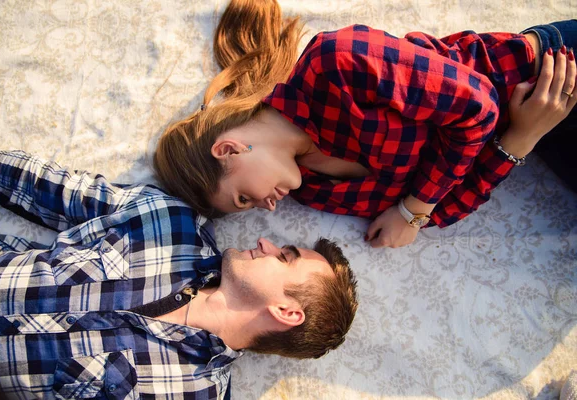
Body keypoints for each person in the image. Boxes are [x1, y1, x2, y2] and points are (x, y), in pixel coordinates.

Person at [153, 0, 577, 249]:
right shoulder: (317, 193)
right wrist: (522, 138)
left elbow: (478, 105)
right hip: (538, 129)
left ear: (228, 149)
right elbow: (447, 208)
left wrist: (412, 209)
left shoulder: (333, 64)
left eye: (244, 197)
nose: (267, 206)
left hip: (545, 72)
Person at [0, 147, 358, 399]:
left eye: (285, 256)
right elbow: (53, 189)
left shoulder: (192, 393)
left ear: (287, 312)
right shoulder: (170, 223)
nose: (265, 243)